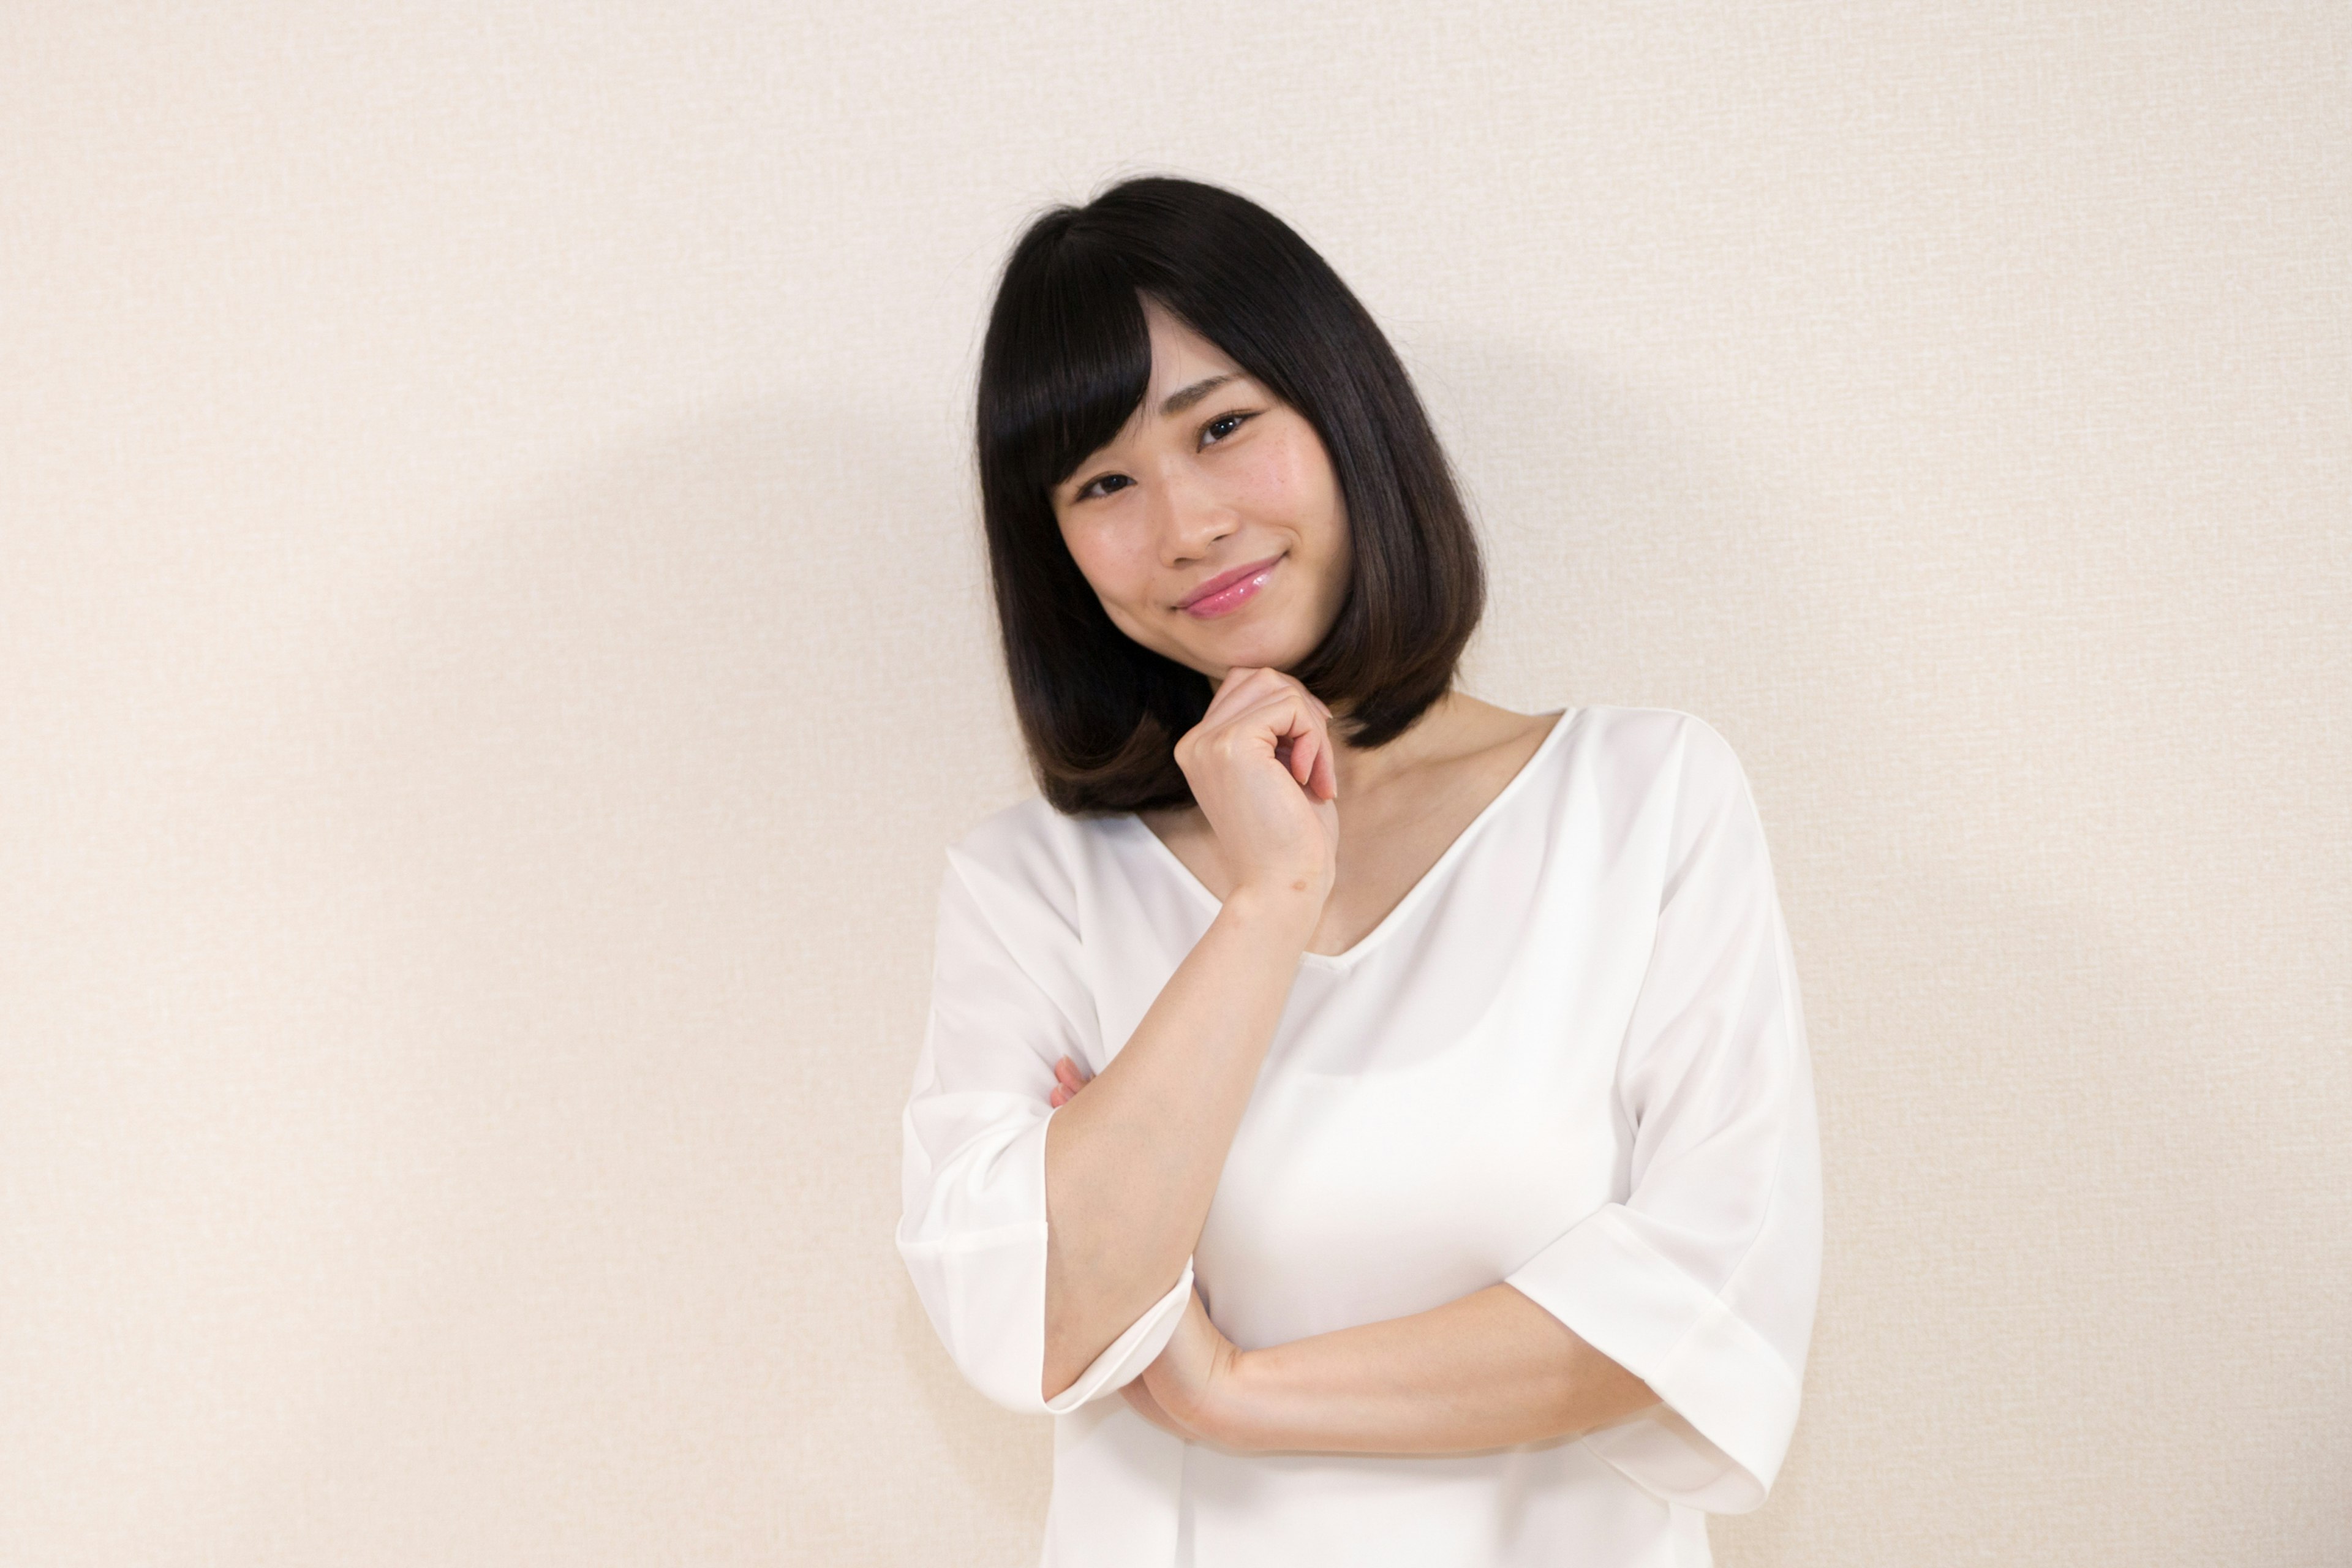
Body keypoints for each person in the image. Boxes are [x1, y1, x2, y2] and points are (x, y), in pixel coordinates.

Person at [895, 175, 1821, 1568]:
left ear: (1345, 413)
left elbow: (1707, 1305)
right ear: (1058, 549)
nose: (1188, 524)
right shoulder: (1033, 889)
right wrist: (1266, 904)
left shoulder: (1644, 799)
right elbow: (1038, 1316)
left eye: (1221, 426)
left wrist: (1233, 1393)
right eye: (1103, 482)